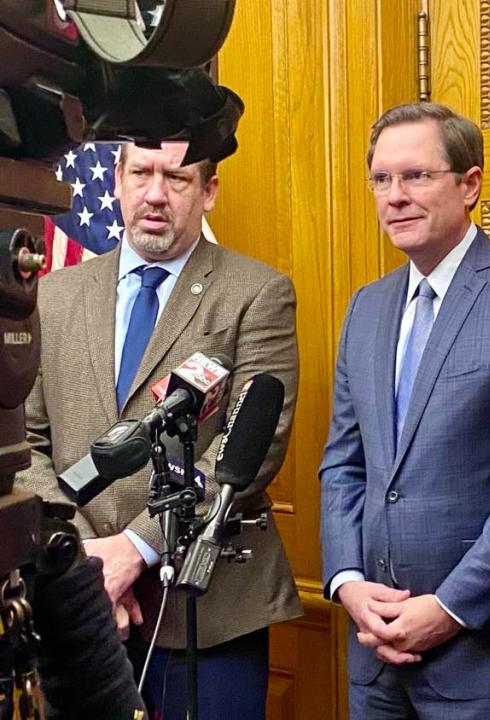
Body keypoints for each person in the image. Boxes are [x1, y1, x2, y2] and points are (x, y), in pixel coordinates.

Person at [320, 102, 490, 719]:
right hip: (376, 658)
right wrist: (346, 582)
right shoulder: (367, 309)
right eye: (382, 180)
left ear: (469, 185)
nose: (395, 196)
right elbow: (344, 463)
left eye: (417, 176)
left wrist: (447, 609)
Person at [16, 142, 301, 720]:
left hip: (209, 612)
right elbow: (27, 443)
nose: (154, 194)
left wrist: (133, 549)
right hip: (77, 606)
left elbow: (250, 447)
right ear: (117, 180)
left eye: (177, 178)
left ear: (208, 193)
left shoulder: (257, 293)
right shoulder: (52, 293)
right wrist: (86, 563)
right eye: (141, 173)